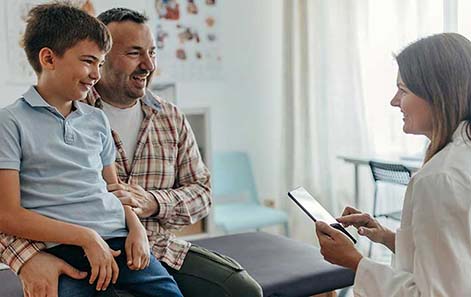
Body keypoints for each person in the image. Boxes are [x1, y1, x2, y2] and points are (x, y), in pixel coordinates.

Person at [0, 7, 263, 297]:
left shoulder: (167, 116)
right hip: (71, 247)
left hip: (153, 247)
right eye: (134, 53)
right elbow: (8, 213)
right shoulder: (22, 120)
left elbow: (202, 194)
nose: (149, 65)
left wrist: (151, 204)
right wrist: (28, 260)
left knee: (242, 290)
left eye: (152, 52)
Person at [0, 3, 183, 297]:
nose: (96, 74)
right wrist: (85, 237)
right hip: (63, 249)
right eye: (88, 61)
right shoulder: (9, 122)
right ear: (48, 58)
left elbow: (113, 187)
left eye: (100, 63)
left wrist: (136, 229)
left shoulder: (96, 119)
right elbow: (7, 214)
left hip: (119, 239)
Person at [315, 32, 471, 296]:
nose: (394, 101)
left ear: (437, 95)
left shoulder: (438, 179)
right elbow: (456, 256)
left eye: (403, 90)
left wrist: (355, 262)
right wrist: (388, 237)